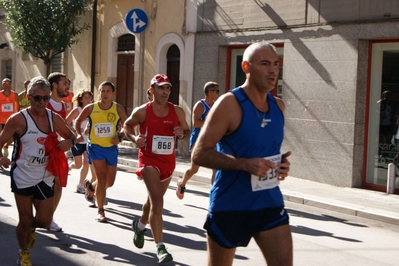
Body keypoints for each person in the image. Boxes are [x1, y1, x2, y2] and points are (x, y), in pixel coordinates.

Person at [192, 42, 293, 266]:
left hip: (268, 201)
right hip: (231, 204)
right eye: (265, 64)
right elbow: (199, 154)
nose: (273, 70)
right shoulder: (229, 104)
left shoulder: (279, 107)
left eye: (276, 64)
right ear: (246, 67)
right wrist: (245, 164)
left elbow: (264, 150)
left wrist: (280, 165)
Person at [0, 76, 76, 266]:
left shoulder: (53, 118)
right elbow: (0, 141)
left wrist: (70, 142)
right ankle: (24, 252)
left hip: (45, 176)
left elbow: (72, 136)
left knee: (44, 220)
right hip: (22, 175)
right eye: (37, 98)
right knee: (24, 220)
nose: (42, 102)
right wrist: (1, 157)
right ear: (28, 96)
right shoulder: (17, 119)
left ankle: (29, 230)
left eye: (45, 98)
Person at [123, 74, 190, 264]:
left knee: (152, 202)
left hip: (168, 162)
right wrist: (135, 139)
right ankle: (160, 247)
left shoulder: (177, 111)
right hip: (148, 160)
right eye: (161, 88)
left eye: (168, 88)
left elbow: (186, 131)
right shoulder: (142, 111)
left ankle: (140, 225)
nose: (166, 92)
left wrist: (181, 133)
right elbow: (127, 126)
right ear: (152, 90)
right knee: (158, 203)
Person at [75, 81, 127, 222]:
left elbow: (126, 126)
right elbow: (77, 122)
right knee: (102, 177)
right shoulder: (91, 108)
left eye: (107, 91)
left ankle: (91, 186)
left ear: (113, 93)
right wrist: (79, 134)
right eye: (102, 91)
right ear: (99, 93)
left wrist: (120, 137)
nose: (104, 94)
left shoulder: (118, 109)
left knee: (110, 182)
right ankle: (101, 211)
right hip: (95, 147)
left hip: (111, 148)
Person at [176, 81, 220, 199]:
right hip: (198, 141)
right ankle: (182, 183)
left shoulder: (216, 105)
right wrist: (211, 123)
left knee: (215, 169)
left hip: (211, 141)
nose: (218, 93)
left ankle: (214, 194)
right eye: (217, 91)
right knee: (194, 169)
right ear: (210, 92)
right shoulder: (200, 105)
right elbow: (195, 123)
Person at [46, 72, 71, 232]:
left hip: (57, 149)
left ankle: (49, 218)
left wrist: (70, 137)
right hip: (42, 149)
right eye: (64, 83)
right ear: (54, 85)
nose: (67, 86)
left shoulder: (62, 105)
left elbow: (62, 128)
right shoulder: (43, 102)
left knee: (58, 185)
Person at [66, 89, 94, 194]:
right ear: (81, 100)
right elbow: (66, 122)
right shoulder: (77, 110)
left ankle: (80, 185)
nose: (88, 100)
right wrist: (74, 131)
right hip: (77, 140)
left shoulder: (92, 111)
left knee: (86, 163)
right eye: (85, 98)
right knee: (78, 165)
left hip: (87, 140)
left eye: (89, 98)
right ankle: (69, 166)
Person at [0, 78, 21, 158]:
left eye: (8, 83)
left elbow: (17, 104)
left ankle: (6, 145)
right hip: (1, 119)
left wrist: (18, 114)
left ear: (10, 84)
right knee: (0, 137)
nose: (6, 85)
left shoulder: (14, 94)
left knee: (12, 136)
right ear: (2, 85)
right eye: (4, 83)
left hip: (11, 119)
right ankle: (1, 154)